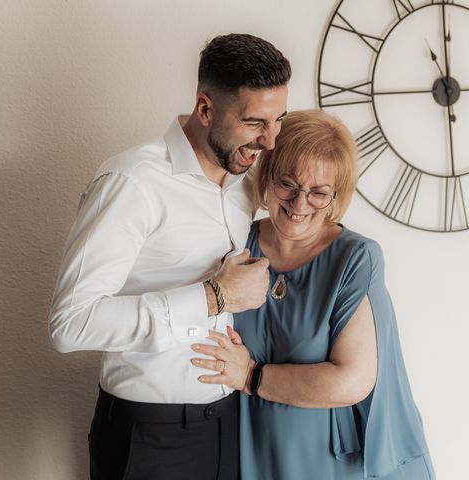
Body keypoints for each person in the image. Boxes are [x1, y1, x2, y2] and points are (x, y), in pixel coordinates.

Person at [48, 34, 291, 480]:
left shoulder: (245, 184)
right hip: (149, 436)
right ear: (205, 109)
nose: (270, 141)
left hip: (228, 425)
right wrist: (213, 298)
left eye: (278, 121)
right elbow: (70, 324)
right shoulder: (132, 182)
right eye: (256, 122)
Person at [191, 109, 435, 480]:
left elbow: (351, 380)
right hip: (254, 452)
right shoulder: (237, 242)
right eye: (287, 184)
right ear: (267, 176)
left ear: (335, 195)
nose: (299, 203)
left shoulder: (355, 258)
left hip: (335, 463)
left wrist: (251, 376)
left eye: (318, 192)